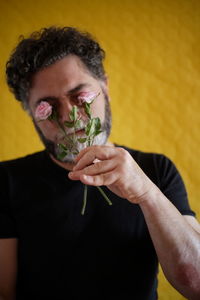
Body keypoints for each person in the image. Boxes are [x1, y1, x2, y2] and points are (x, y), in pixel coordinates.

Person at [0, 26, 200, 300]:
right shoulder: (7, 180)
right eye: (48, 105)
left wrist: (147, 194)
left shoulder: (156, 169)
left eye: (78, 95)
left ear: (104, 86)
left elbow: (196, 284)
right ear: (31, 113)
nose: (70, 115)